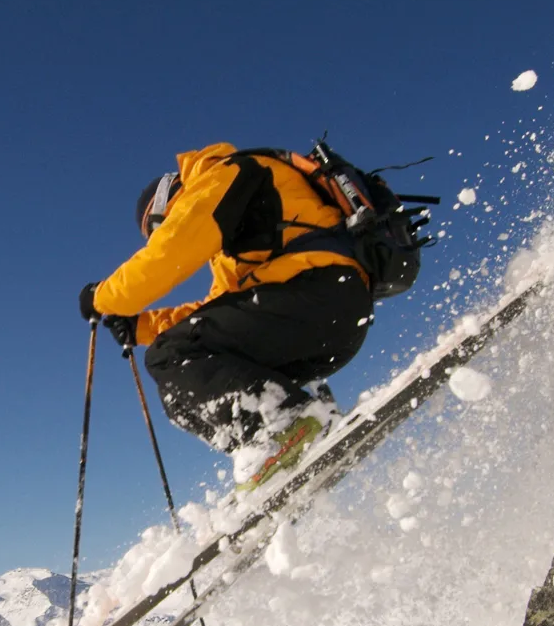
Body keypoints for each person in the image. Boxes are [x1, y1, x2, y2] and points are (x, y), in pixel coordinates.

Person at [79, 142, 375, 491]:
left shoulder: (225, 174)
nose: (162, 235)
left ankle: (284, 424)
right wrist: (140, 325)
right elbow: (219, 309)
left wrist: (104, 297)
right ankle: (272, 448)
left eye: (159, 228)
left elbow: (170, 253)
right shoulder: (235, 247)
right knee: (183, 389)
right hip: (328, 317)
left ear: (167, 205)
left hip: (318, 292)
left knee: (170, 357)